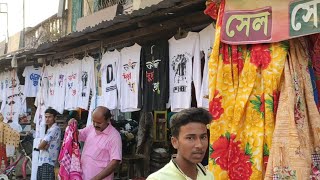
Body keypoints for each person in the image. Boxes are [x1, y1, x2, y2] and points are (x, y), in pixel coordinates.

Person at [147, 108, 214, 180]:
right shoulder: (158, 178)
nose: (199, 145)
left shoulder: (208, 176)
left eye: (203, 137)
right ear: (175, 142)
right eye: (190, 138)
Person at [70, 106, 122, 180]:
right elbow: (78, 134)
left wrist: (96, 178)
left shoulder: (114, 136)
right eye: (93, 121)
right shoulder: (91, 127)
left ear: (108, 120)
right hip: (83, 176)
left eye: (99, 123)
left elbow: (115, 162)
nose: (95, 125)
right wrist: (72, 125)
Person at [37, 108, 61, 180]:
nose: (47, 119)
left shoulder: (55, 129)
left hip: (48, 162)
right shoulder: (48, 130)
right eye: (46, 117)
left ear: (55, 118)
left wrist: (42, 146)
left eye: (49, 117)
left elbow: (40, 146)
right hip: (42, 161)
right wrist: (44, 146)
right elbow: (42, 145)